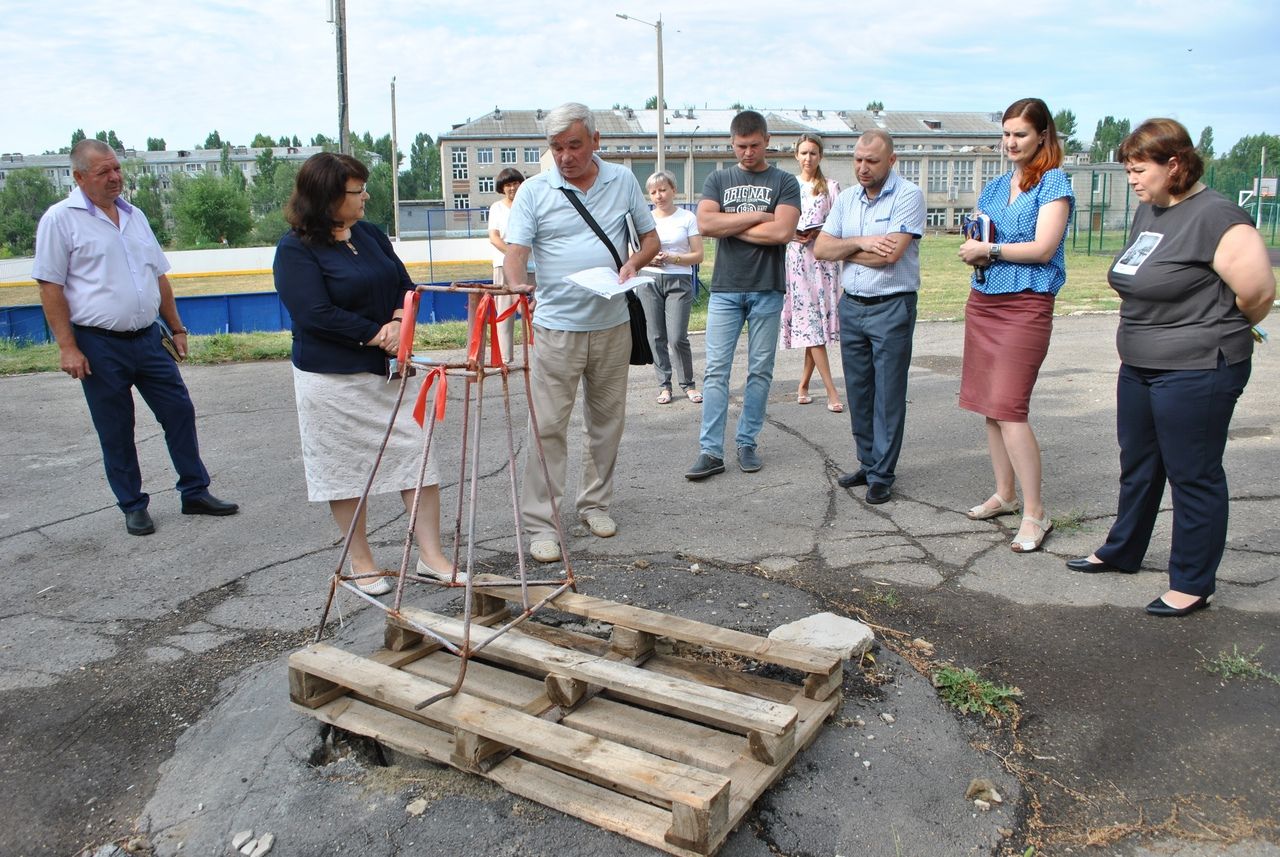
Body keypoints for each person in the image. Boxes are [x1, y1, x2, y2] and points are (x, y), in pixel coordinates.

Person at [1066, 118, 1275, 617]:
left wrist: (1211, 327)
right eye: (1129, 170)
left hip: (1199, 366)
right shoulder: (1151, 210)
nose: (1132, 179)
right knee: (1138, 463)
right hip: (1139, 360)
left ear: (1175, 164)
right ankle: (1124, 550)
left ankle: (1193, 582)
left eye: (1140, 169)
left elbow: (1259, 293)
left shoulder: (1219, 217)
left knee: (1194, 474)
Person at [33, 139, 238, 536]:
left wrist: (176, 327)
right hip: (97, 343)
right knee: (116, 426)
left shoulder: (135, 215)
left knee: (179, 411)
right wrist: (67, 346)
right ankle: (132, 503)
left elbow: (158, 276)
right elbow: (49, 287)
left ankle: (194, 491)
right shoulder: (60, 220)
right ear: (78, 177)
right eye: (103, 172)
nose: (114, 178)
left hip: (148, 337)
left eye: (117, 169)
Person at [273, 152, 452, 595]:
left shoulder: (370, 234)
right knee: (345, 469)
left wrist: (397, 322)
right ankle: (361, 562)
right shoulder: (295, 248)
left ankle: (432, 557)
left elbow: (405, 285)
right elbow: (313, 313)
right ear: (329, 197)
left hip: (391, 372)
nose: (366, 195)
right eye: (357, 190)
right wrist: (377, 335)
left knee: (416, 457)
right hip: (333, 381)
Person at [502, 103, 659, 563]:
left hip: (611, 324)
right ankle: (541, 524)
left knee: (606, 423)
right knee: (548, 427)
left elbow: (648, 239)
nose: (565, 156)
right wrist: (516, 285)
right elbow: (516, 252)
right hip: (556, 327)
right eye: (556, 148)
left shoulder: (623, 181)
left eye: (574, 145)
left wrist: (633, 263)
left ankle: (595, 504)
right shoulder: (534, 190)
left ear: (595, 141)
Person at [957, 97, 1074, 553]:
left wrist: (990, 251)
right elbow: (980, 233)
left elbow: (1044, 248)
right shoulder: (995, 186)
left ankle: (1036, 513)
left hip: (1026, 304)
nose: (1011, 142)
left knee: (1010, 408)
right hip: (984, 300)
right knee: (990, 407)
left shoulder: (1054, 183)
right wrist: (976, 245)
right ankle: (1005, 495)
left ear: (1042, 135)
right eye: (1006, 134)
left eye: (1020, 134)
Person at [685, 110, 802, 480]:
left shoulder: (784, 181)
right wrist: (761, 217)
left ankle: (747, 442)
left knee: (760, 371)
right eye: (740, 146)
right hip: (725, 289)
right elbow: (705, 224)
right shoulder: (719, 178)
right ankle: (710, 451)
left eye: (754, 145)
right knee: (716, 371)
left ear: (767, 140)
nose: (747, 153)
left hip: (767, 287)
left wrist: (730, 226)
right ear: (732, 143)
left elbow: (783, 233)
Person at [815, 130, 925, 505]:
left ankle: (882, 473)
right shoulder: (846, 199)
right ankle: (867, 461)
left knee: (888, 395)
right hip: (853, 305)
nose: (863, 167)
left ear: (891, 161)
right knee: (859, 391)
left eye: (872, 161)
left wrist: (844, 250)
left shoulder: (909, 196)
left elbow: (889, 256)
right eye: (858, 160)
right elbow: (821, 247)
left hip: (892, 305)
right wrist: (861, 242)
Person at [782, 134, 843, 413]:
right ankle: (831, 390)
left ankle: (804, 384)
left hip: (822, 260)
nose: (808, 158)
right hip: (796, 261)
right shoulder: (787, 185)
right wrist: (792, 233)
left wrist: (819, 231)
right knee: (812, 327)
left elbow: (840, 223)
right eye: (804, 153)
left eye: (813, 153)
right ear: (796, 155)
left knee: (815, 327)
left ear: (820, 156)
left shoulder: (831, 187)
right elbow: (778, 221)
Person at [638, 169, 704, 405]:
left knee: (677, 337)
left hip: (679, 279)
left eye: (663, 189)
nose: (658, 195)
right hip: (649, 279)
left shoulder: (687, 217)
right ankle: (664, 385)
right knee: (656, 335)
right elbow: (631, 251)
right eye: (653, 192)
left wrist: (673, 258)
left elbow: (698, 255)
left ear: (674, 190)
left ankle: (688, 384)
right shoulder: (644, 218)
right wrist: (648, 258)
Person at [487, 167, 535, 361]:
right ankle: (506, 359)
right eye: (508, 184)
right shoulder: (496, 208)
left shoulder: (529, 205)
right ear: (502, 188)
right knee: (505, 312)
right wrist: (514, 256)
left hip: (531, 266)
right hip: (503, 265)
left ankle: (537, 355)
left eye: (516, 183)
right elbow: (494, 237)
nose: (513, 187)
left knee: (533, 310)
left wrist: (523, 257)